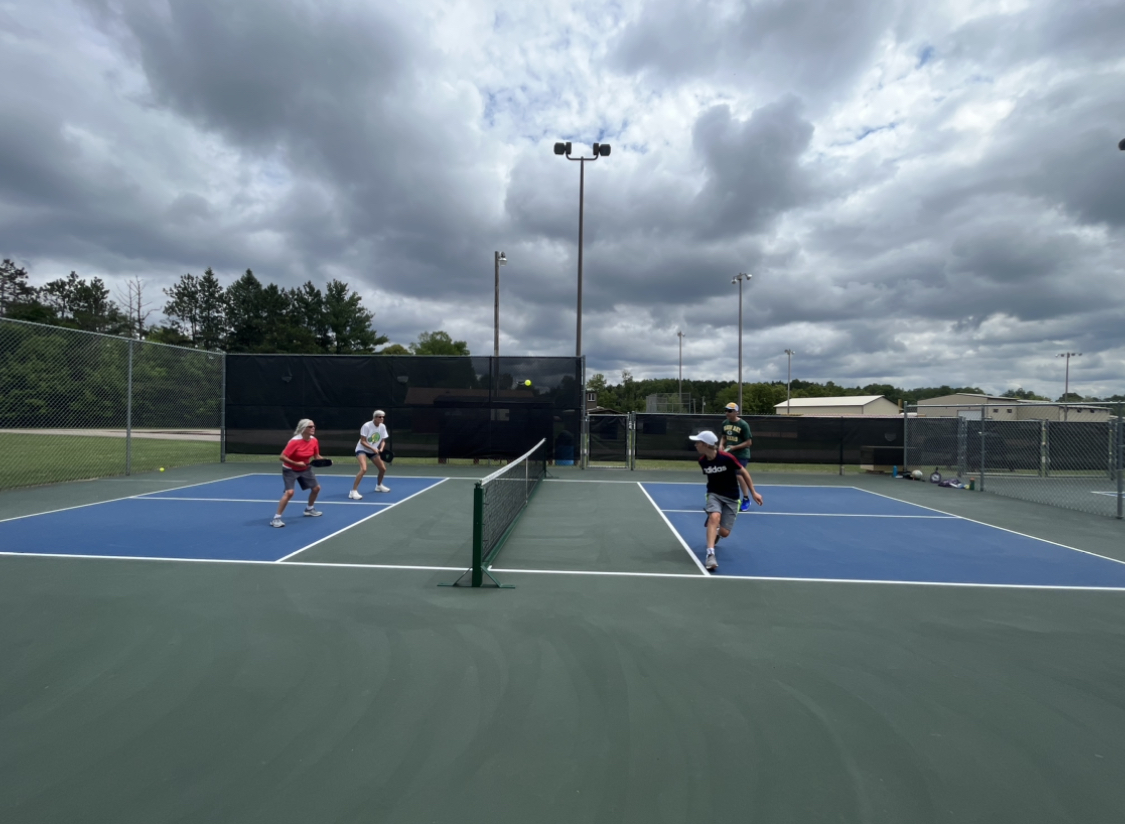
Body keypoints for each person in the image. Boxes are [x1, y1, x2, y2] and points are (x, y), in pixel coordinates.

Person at [689, 430, 763, 571]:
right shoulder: (702, 461)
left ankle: (715, 529)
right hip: (714, 494)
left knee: (724, 533)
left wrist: (753, 492)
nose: (696, 445)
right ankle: (710, 555)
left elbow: (743, 472)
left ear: (706, 444)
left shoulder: (727, 458)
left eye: (698, 442)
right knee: (714, 516)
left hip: (732, 497)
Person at [272, 419, 323, 527]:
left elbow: (316, 456)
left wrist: (323, 461)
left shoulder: (314, 440)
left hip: (305, 468)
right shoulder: (294, 441)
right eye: (310, 427)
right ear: (303, 428)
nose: (313, 428)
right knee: (289, 493)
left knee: (316, 488)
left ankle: (309, 509)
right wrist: (295, 463)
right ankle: (276, 519)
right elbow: (282, 457)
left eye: (314, 426)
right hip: (290, 469)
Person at [719, 402, 754, 512]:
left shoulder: (743, 425)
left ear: (736, 412)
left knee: (738, 475)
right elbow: (724, 437)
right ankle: (729, 498)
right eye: (726, 410)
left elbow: (749, 442)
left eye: (729, 411)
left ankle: (746, 499)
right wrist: (721, 445)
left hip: (742, 454)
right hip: (730, 454)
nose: (727, 413)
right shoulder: (725, 423)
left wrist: (735, 447)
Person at [349, 409, 390, 499]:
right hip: (362, 449)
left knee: (382, 469)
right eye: (379, 417)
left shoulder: (382, 427)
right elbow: (363, 441)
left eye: (383, 417)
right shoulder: (367, 426)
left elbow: (383, 440)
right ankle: (353, 491)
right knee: (364, 469)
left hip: (373, 451)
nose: (382, 418)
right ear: (375, 418)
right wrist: (372, 448)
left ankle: (379, 486)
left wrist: (381, 448)